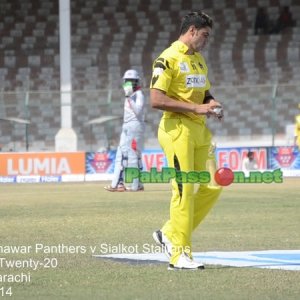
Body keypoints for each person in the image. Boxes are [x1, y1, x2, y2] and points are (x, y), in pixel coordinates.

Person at [150, 11, 223, 270]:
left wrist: (210, 102)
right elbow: (156, 100)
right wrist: (195, 109)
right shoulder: (167, 59)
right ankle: (179, 255)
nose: (206, 40)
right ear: (192, 30)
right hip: (177, 129)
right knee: (184, 191)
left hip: (199, 130)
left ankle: (169, 232)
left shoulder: (199, 60)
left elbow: (204, 92)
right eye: (204, 35)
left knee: (213, 185)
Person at [104, 69, 145, 192]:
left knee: (132, 156)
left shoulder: (139, 94)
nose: (129, 84)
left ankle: (134, 185)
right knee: (121, 154)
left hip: (135, 125)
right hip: (127, 125)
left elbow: (138, 111)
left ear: (137, 82)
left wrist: (129, 97)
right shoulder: (132, 95)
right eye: (127, 81)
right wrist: (128, 97)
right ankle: (118, 184)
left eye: (132, 81)